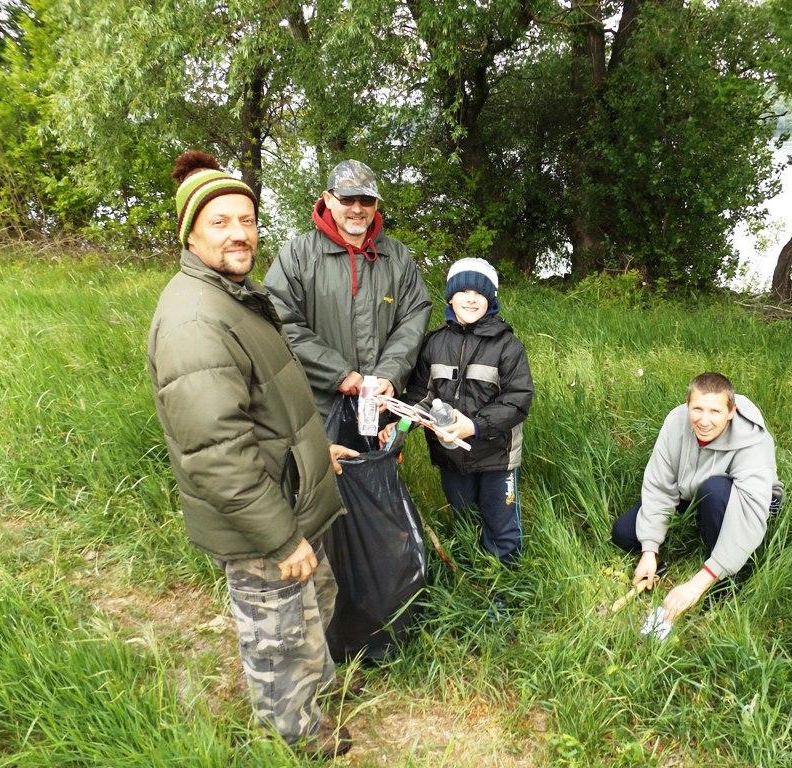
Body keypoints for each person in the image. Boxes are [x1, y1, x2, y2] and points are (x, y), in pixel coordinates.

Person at [147, 150, 358, 759]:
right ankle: (293, 739)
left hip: (292, 499)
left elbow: (271, 408)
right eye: (220, 222)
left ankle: (316, 699)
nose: (239, 233)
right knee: (278, 637)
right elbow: (216, 453)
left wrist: (319, 451)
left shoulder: (236, 294)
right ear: (189, 232)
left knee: (312, 610)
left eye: (247, 219)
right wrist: (280, 538)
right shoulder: (194, 321)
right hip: (265, 524)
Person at [264, 159, 431, 444]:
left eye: (366, 199)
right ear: (328, 199)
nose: (357, 208)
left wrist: (389, 375)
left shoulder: (398, 257)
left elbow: (413, 317)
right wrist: (338, 373)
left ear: (376, 204)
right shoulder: (299, 254)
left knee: (375, 483)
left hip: (379, 408)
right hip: (317, 409)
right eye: (347, 198)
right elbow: (279, 320)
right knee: (324, 484)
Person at [382, 258, 533, 568]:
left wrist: (474, 426)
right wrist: (401, 425)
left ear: (491, 298)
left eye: (479, 292)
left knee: (500, 526)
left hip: (496, 456)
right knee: (464, 519)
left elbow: (518, 400)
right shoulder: (434, 343)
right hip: (450, 456)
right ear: (450, 296)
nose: (470, 298)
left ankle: (505, 588)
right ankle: (470, 578)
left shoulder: (508, 346)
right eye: (462, 290)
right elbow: (420, 396)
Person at [611, 372, 784, 621]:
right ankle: (681, 540)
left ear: (731, 411)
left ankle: (729, 576)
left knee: (713, 491)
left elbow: (749, 515)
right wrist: (650, 550)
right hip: (691, 491)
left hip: (743, 500)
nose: (704, 420)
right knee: (625, 534)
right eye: (697, 409)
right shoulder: (676, 422)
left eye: (714, 411)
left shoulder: (752, 441)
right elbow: (660, 486)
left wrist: (699, 582)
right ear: (687, 405)